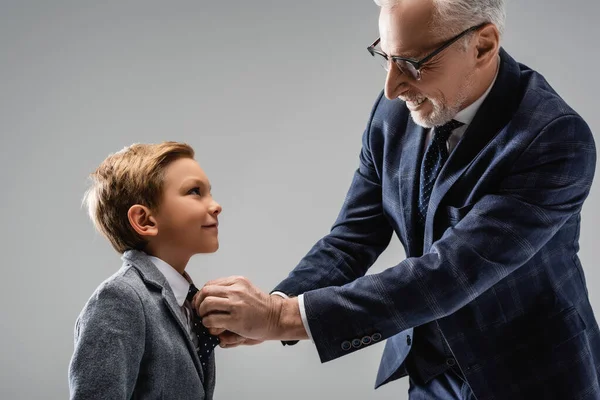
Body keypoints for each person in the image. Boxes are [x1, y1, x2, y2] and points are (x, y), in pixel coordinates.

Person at [194, 0, 599, 399]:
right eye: (384, 56)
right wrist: (277, 301)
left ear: (483, 45)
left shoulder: (554, 137)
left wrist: (281, 319)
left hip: (531, 377)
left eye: (413, 63)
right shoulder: (394, 114)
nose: (392, 88)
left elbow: (448, 274)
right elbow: (352, 238)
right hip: (430, 376)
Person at [68, 142, 223, 399]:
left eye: (209, 192)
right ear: (144, 220)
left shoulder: (187, 303)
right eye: (195, 192)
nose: (216, 205)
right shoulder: (119, 299)